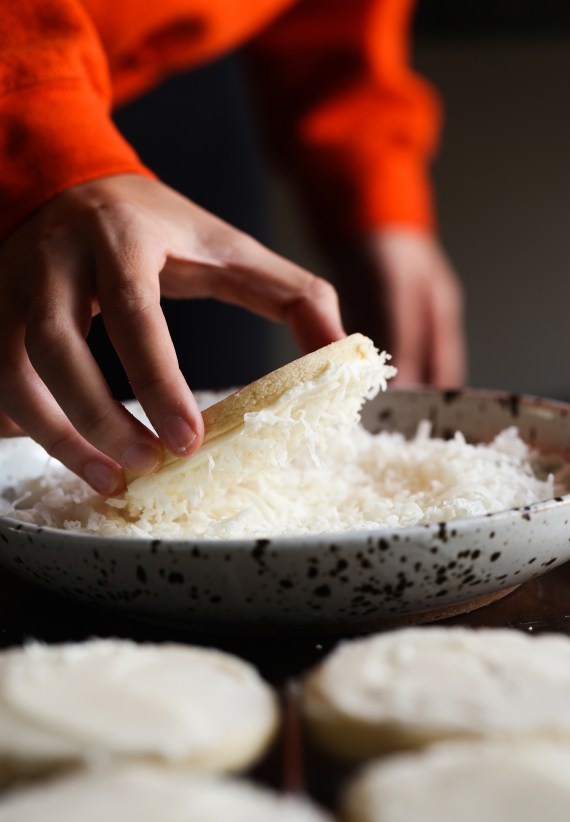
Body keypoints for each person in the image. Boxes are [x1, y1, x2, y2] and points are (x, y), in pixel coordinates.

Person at [0, 0, 465, 497]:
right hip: (23, 85)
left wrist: (373, 175)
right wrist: (41, 136)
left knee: (217, 482)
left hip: (192, 70)